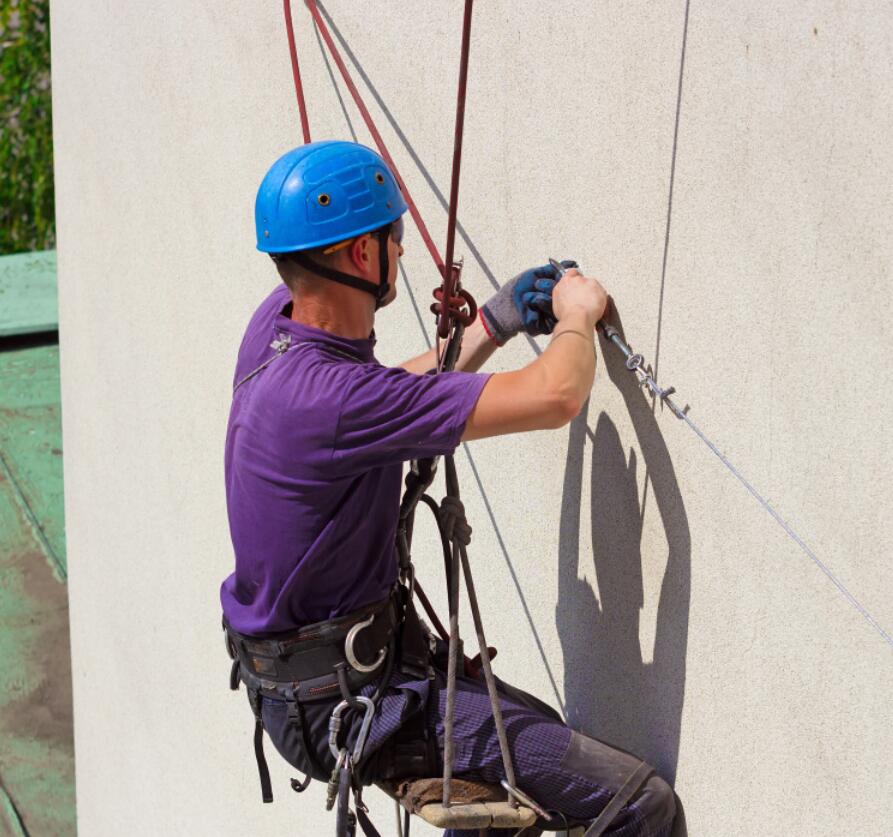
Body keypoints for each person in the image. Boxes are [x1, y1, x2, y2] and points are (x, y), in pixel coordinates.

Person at [221, 140, 677, 836]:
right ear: (359, 256)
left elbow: (391, 396)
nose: (402, 251)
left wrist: (489, 324)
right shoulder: (335, 397)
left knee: (540, 748)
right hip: (354, 699)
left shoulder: (275, 332)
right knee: (637, 804)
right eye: (394, 237)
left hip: (309, 685)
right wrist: (576, 317)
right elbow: (555, 394)